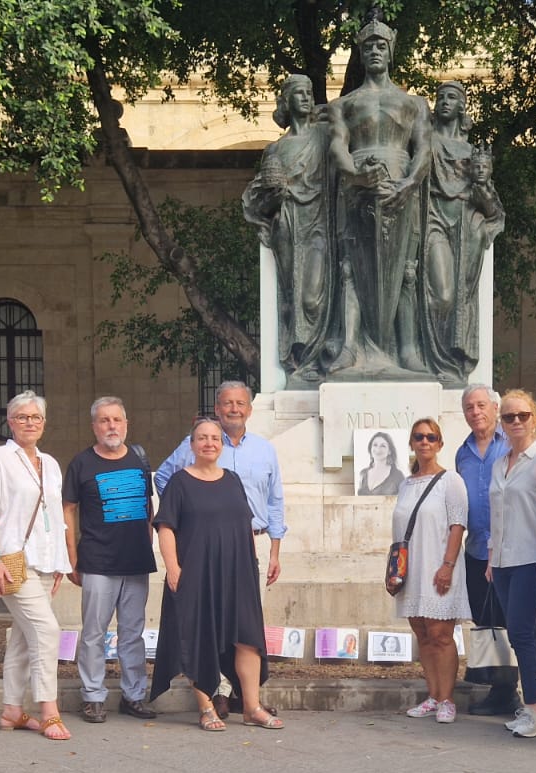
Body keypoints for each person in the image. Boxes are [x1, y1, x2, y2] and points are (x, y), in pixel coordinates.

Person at [155, 381, 285, 718]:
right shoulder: (181, 480)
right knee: (205, 632)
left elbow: (267, 505)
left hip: (241, 560)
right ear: (193, 444)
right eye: (203, 438)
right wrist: (176, 559)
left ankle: (250, 704)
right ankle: (213, 701)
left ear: (249, 409)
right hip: (199, 561)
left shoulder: (241, 471)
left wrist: (269, 551)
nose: (210, 443)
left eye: (214, 439)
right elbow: (166, 519)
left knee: (245, 632)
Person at [325, 17, 434, 375]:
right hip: (357, 188)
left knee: (407, 270)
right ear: (360, 53)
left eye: (381, 46)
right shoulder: (345, 104)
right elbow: (338, 147)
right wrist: (356, 176)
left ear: (390, 52)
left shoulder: (414, 103)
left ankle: (407, 349)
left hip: (400, 187)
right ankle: (349, 347)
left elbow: (424, 149)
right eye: (368, 46)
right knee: (350, 268)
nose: (374, 51)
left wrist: (409, 184)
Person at [0, 390, 72, 741]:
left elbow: (55, 515)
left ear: (44, 423)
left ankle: (11, 710)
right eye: (22, 417)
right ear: (10, 422)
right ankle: (49, 711)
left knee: (22, 636)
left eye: (36, 417)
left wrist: (60, 561)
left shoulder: (50, 463)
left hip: (46, 562)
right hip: (14, 561)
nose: (30, 423)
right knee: (47, 631)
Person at [63, 396, 158, 723]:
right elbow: (68, 510)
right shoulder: (81, 463)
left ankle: (134, 696)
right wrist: (71, 558)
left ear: (126, 424)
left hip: (136, 562)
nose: (111, 426)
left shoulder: (139, 459)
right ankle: (93, 697)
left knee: (133, 633)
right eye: (104, 420)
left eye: (117, 419)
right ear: (94, 426)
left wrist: (147, 543)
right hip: (97, 562)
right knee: (94, 633)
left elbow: (147, 506)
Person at [243, 74, 333, 381]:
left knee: (313, 296)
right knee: (292, 293)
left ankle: (321, 358)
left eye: (309, 93)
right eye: (299, 93)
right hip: (288, 224)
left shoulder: (325, 137)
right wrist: (274, 195)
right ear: (286, 101)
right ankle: (301, 360)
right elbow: (262, 201)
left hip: (320, 223)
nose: (306, 98)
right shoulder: (275, 150)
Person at [392, 416, 471, 723]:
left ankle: (447, 698)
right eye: (419, 437)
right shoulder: (405, 484)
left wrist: (447, 565)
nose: (424, 442)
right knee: (422, 633)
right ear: (411, 443)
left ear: (439, 444)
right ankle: (433, 695)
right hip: (411, 568)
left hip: (439, 564)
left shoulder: (451, 480)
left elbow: (457, 524)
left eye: (430, 437)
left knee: (441, 634)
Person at [487, 388, 536, 738]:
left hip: (530, 558)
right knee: (521, 634)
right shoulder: (499, 464)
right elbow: (496, 514)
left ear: (535, 419)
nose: (516, 421)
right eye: (508, 416)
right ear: (501, 422)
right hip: (502, 560)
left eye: (522, 415)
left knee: (523, 633)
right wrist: (490, 555)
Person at [423, 82, 503, 375]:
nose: (445, 101)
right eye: (440, 97)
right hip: (434, 221)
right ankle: (433, 358)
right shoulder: (425, 143)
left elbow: (492, 209)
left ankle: (454, 358)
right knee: (442, 295)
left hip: (468, 227)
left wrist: (482, 190)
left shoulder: (473, 153)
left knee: (462, 295)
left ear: (461, 107)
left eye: (452, 97)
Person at [455, 383, 517, 716]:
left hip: (511, 551)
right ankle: (501, 691)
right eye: (469, 407)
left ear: (495, 407)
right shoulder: (462, 453)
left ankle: (535, 693)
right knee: (486, 621)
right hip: (477, 551)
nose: (475, 412)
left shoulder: (511, 444)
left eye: (481, 405)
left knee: (515, 623)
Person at [357, 431, 404, 496]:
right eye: (375, 445)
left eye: (383, 446)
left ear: (389, 451)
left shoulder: (398, 476)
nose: (378, 449)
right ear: (370, 448)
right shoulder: (363, 474)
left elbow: (405, 499)